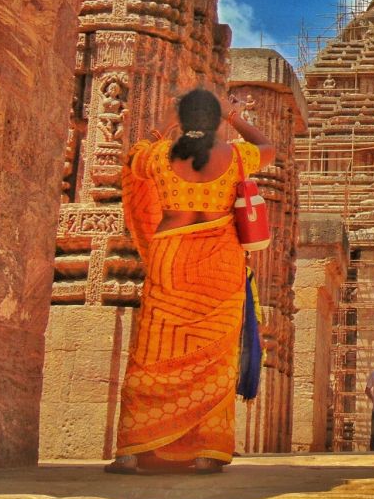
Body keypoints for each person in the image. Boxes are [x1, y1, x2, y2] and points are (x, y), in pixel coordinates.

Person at [105, 88, 275, 475]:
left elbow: (131, 160)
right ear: (216, 120)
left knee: (151, 353)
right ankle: (207, 451)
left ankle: (132, 450)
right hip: (220, 264)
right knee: (216, 356)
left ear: (182, 118)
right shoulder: (235, 156)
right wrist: (235, 118)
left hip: (172, 257)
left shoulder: (159, 156)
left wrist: (164, 123)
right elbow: (268, 147)